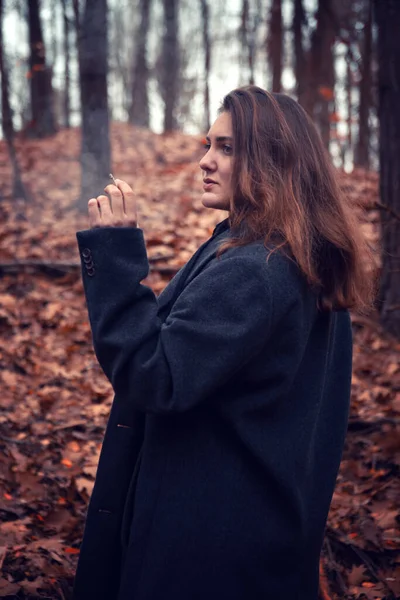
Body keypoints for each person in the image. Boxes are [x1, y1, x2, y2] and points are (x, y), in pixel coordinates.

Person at [72, 86, 377, 600]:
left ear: (274, 161)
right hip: (253, 536)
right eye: (208, 144)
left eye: (228, 148)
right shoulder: (296, 255)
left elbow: (155, 376)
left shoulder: (257, 269)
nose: (206, 162)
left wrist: (115, 256)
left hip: (206, 553)